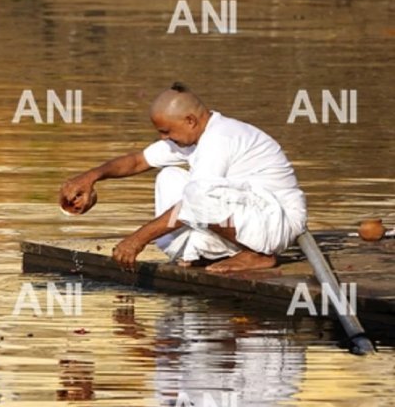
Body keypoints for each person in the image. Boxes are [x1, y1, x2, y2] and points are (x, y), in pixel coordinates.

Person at [59, 83, 307, 273]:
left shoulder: (220, 138)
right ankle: (201, 253)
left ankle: (259, 254)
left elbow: (196, 202)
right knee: (169, 176)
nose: (164, 138)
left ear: (190, 120)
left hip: (276, 222)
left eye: (166, 131)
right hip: (248, 216)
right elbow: (138, 161)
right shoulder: (189, 136)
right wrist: (91, 177)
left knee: (197, 194)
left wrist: (137, 239)